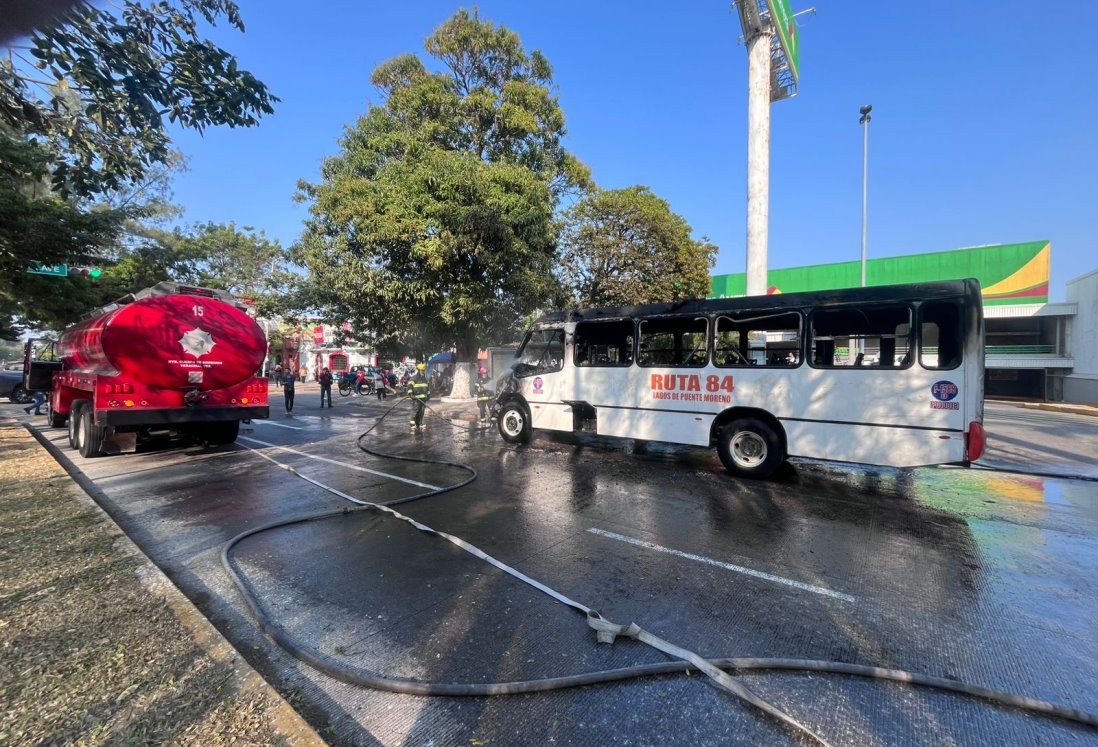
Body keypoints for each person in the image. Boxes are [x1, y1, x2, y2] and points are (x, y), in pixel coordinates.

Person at [408, 362, 429, 430]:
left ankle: (419, 423)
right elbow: (409, 386)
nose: (423, 371)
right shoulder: (414, 378)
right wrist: (411, 394)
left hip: (423, 399)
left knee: (421, 411)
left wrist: (428, 395)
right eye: (422, 370)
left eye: (423, 370)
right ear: (418, 370)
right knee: (415, 411)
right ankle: (412, 424)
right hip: (416, 399)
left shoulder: (425, 379)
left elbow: (427, 388)